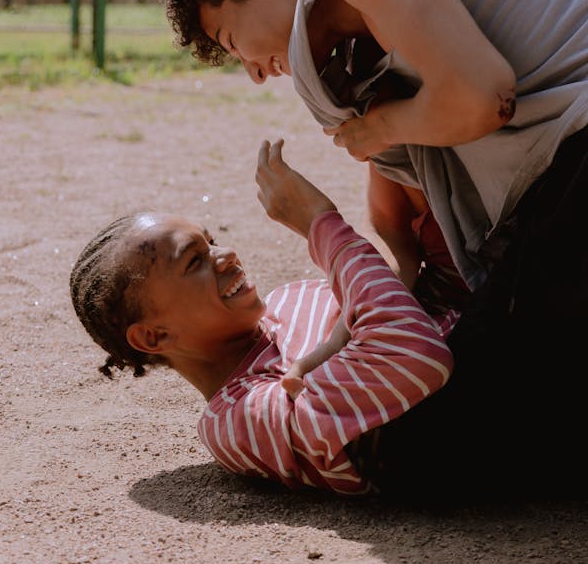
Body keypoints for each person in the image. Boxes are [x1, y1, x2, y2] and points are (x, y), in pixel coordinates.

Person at [156, 0, 588, 497]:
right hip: (554, 195)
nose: (253, 73)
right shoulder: (353, 53)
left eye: (232, 42)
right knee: (429, 428)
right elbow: (403, 236)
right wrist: (334, 342)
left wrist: (370, 142)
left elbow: (479, 97)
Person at [70, 140, 462, 497]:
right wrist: (319, 224)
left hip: (468, 298)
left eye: (211, 241)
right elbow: (414, 352)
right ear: (154, 336)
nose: (226, 255)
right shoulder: (238, 420)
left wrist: (383, 140)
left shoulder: (286, 302)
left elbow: (398, 279)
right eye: (195, 261)